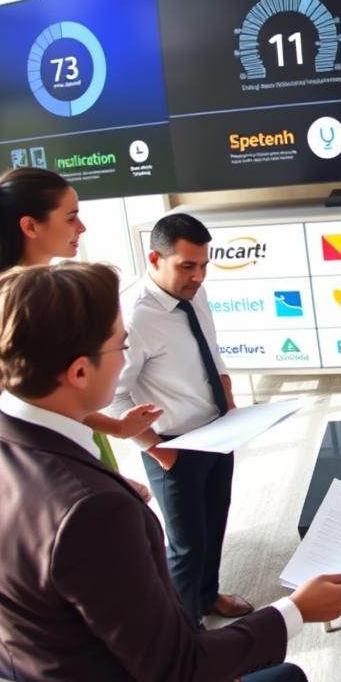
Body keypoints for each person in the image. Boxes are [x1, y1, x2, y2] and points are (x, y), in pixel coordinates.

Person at [0, 262, 341, 682]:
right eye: (120, 346)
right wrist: (295, 610)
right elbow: (179, 670)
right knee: (286, 681)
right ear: (79, 372)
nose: (127, 358)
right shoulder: (90, 512)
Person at [0, 167, 165, 476]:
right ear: (30, 226)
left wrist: (117, 427)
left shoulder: (26, 290)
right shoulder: (24, 304)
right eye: (70, 218)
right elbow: (44, 399)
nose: (81, 227)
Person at [111, 212, 252, 623]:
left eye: (204, 265)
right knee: (186, 547)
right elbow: (115, 397)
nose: (198, 276)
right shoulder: (134, 318)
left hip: (217, 432)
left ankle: (207, 597)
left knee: (214, 527)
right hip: (174, 447)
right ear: (154, 260)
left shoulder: (193, 292)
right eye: (187, 266)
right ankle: (187, 634)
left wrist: (224, 382)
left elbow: (208, 342)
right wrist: (157, 451)